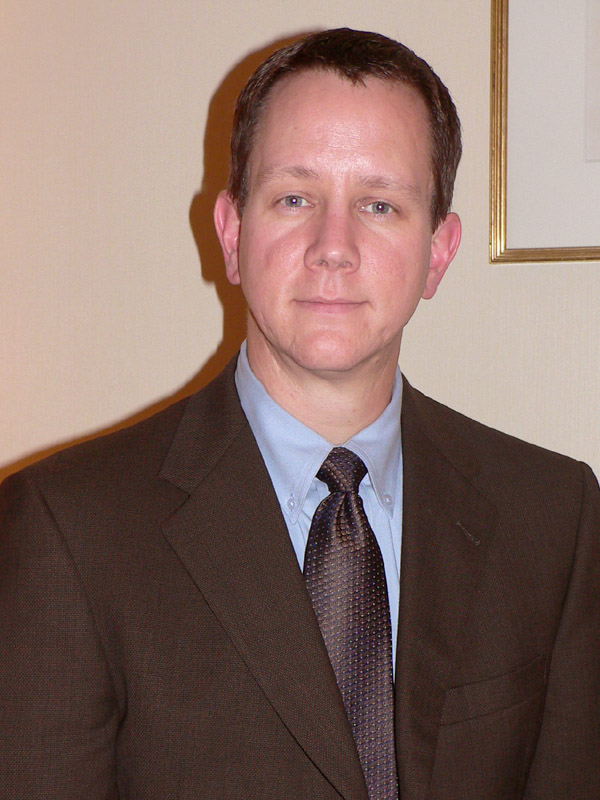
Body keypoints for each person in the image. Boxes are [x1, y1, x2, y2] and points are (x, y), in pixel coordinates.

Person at [1, 27, 598, 800]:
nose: (332, 246)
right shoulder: (66, 528)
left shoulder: (554, 519)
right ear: (232, 234)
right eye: (294, 198)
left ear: (439, 251)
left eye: (379, 204)